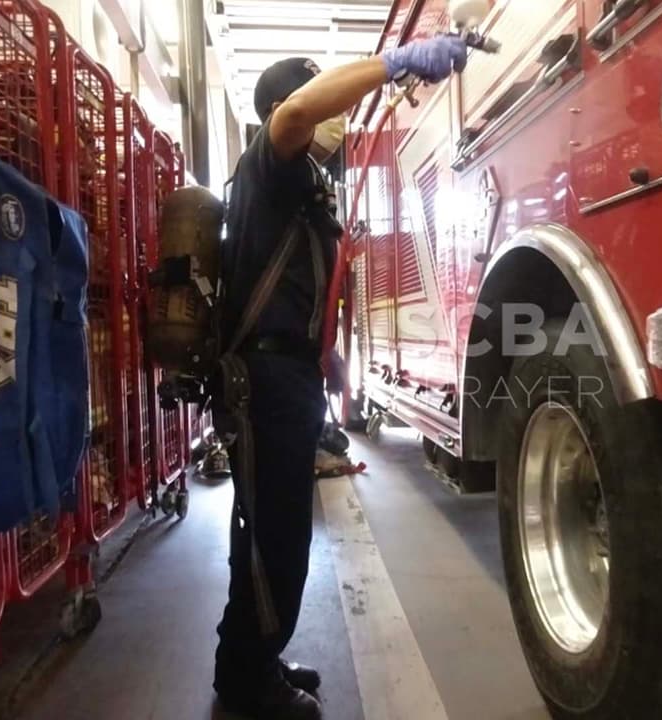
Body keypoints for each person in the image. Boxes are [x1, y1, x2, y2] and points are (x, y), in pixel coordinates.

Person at [212, 35, 470, 720]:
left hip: (286, 374)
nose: (337, 121)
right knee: (276, 534)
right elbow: (298, 114)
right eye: (323, 99)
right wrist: (390, 64)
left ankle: (251, 656)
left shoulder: (299, 189)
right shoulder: (270, 160)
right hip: (265, 378)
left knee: (270, 528)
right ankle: (246, 682)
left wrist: (322, 355)